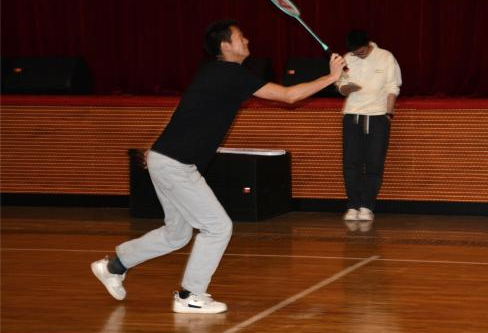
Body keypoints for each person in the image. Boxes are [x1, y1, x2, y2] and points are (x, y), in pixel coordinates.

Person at [91, 19, 345, 314]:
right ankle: (191, 295)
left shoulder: (212, 72)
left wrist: (156, 147)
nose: (247, 40)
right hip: (175, 164)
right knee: (218, 227)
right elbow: (289, 96)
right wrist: (331, 76)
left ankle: (114, 266)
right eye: (241, 37)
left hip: (168, 160)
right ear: (225, 45)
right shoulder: (230, 74)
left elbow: (182, 111)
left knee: (177, 234)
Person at [335, 29, 401, 222]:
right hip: (352, 115)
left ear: (368, 44)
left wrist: (388, 113)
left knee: (374, 163)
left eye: (361, 51)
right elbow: (340, 86)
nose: (358, 55)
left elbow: (393, 87)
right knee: (351, 163)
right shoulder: (348, 58)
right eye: (355, 52)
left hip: (378, 116)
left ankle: (366, 206)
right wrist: (346, 88)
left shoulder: (386, 57)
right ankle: (353, 205)